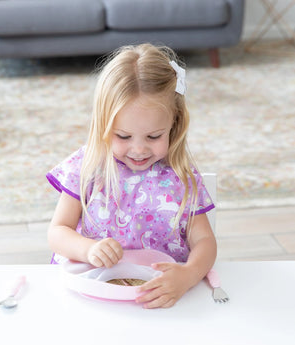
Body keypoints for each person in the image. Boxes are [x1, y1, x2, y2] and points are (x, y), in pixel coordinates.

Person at [46, 43, 217, 309]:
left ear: (174, 125)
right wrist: (87, 250)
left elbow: (204, 241)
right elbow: (58, 232)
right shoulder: (88, 167)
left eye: (153, 136)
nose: (138, 149)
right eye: (123, 136)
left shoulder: (181, 176)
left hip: (161, 297)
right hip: (92, 294)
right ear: (103, 125)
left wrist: (189, 274)